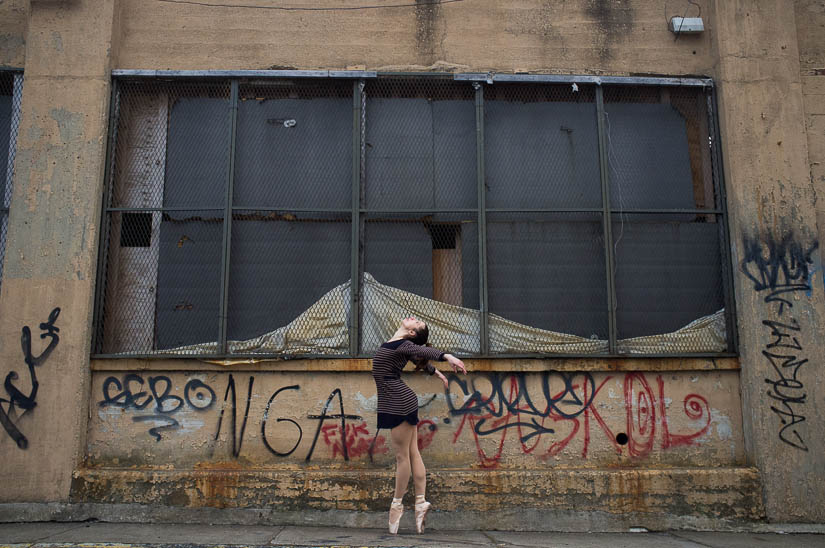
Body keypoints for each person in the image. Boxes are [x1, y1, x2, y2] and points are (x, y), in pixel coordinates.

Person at [371, 316, 467, 534]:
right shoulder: (397, 345)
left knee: (402, 457)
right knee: (412, 453)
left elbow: (424, 352)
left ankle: (397, 505)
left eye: (418, 323)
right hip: (397, 399)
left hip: (398, 401)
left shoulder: (403, 344)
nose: (414, 319)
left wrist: (447, 356)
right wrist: (436, 372)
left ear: (412, 333)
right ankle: (421, 502)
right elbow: (418, 357)